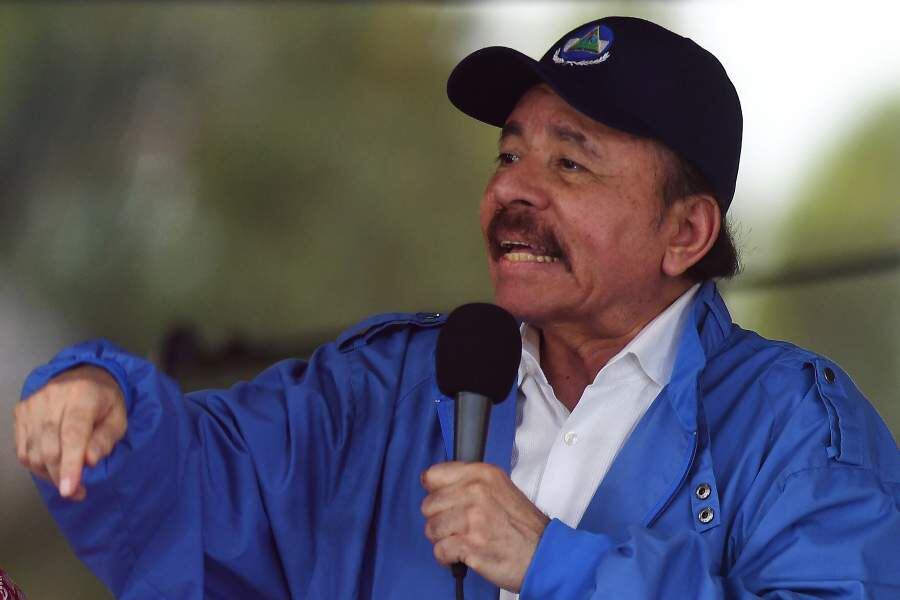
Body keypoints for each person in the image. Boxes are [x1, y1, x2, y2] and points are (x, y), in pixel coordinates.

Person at [12, 15, 900, 600]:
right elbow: (202, 483)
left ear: (686, 231)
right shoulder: (385, 388)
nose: (515, 191)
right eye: (509, 156)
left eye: (570, 164)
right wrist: (105, 403)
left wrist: (554, 563)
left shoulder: (796, 428)